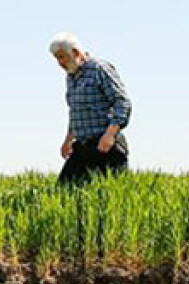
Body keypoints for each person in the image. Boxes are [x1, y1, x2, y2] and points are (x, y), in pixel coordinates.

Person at [49, 32, 132, 186]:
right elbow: (76, 111)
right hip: (82, 146)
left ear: (75, 52)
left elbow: (122, 102)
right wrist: (68, 140)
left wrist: (110, 135)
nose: (59, 63)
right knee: (63, 191)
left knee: (109, 196)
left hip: (105, 146)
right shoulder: (71, 77)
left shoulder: (99, 69)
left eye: (61, 57)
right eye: (56, 58)